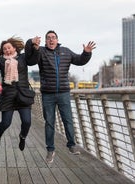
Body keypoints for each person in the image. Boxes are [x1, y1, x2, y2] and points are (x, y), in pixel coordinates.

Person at [26, 30, 96, 163]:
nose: (51, 40)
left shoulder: (66, 51)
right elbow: (29, 60)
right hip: (48, 94)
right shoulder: (40, 52)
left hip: (64, 92)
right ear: (45, 41)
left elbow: (80, 60)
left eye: (53, 38)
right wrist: (31, 43)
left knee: (68, 120)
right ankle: (50, 149)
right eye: (48, 38)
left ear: (57, 40)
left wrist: (86, 53)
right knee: (49, 123)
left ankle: (71, 145)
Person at [0, 37, 39, 151]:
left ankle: (22, 137)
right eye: (4, 49)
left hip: (23, 94)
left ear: (14, 48)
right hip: (8, 95)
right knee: (6, 123)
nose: (7, 50)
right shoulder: (1, 61)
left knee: (27, 122)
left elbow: (33, 60)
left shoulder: (23, 58)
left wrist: (34, 47)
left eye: (9, 48)